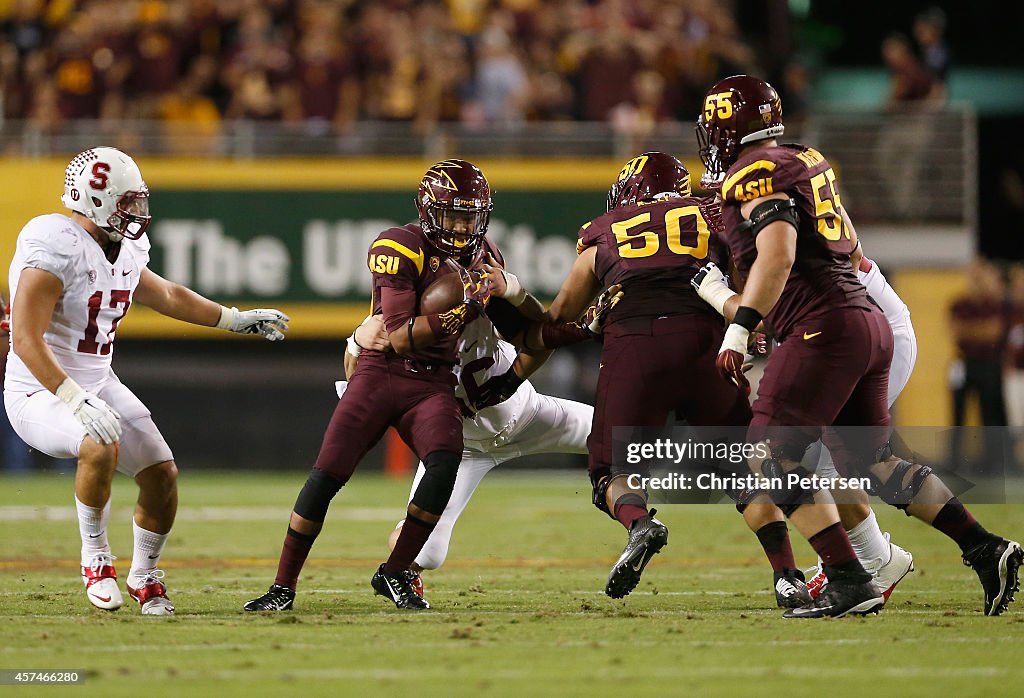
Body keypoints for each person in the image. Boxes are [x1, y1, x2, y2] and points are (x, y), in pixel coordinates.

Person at [695, 74, 1021, 617]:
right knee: (871, 460)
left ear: (728, 128)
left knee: (768, 457)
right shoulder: (803, 157)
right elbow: (846, 248)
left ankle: (850, 578)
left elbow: (776, 255)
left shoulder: (754, 174)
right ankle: (985, 547)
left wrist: (740, 323)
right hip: (861, 319)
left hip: (825, 325)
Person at [4, 146, 290, 615]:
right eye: (126, 202)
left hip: (96, 382)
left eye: (139, 200)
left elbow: (167, 294)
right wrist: (74, 398)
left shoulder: (123, 247)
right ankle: (95, 560)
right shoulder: (54, 243)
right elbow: (25, 339)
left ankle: (144, 574)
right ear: (94, 200)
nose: (137, 212)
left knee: (161, 475)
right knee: (99, 444)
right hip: (39, 391)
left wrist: (234, 320)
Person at [243, 159, 494, 612]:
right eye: (452, 215)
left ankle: (396, 569)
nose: (460, 227)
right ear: (427, 209)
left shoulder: (487, 257)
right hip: (383, 371)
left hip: (435, 381)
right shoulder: (400, 245)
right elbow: (398, 336)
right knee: (327, 475)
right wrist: (462, 309)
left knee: (444, 463)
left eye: (469, 216)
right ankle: (283, 586)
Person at [528, 151, 753, 599]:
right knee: (744, 467)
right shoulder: (712, 215)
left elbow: (555, 317)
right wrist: (747, 329)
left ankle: (640, 523)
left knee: (611, 471)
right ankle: (787, 574)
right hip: (707, 342)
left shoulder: (602, 233)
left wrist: (583, 324)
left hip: (635, 343)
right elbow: (754, 281)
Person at [347, 252, 602, 594]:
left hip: (528, 414)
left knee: (617, 435)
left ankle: (640, 518)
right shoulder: (400, 334)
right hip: (463, 449)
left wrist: (511, 292)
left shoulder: (486, 309)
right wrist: (357, 344)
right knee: (427, 551)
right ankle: (399, 573)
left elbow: (539, 331)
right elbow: (359, 380)